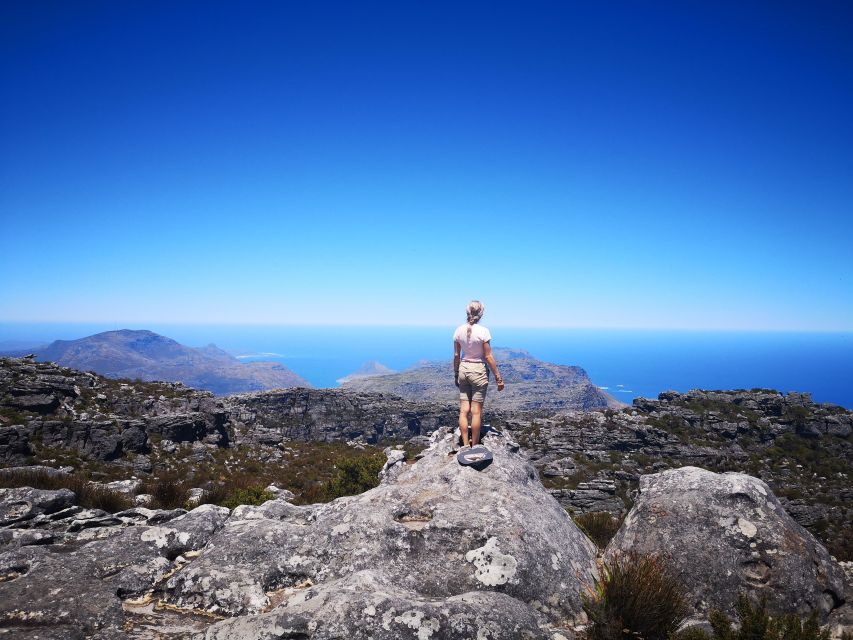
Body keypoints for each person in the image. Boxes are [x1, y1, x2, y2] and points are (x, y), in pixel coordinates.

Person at [453, 300, 504, 448]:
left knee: (464, 411)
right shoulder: (484, 331)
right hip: (479, 372)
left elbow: (456, 355)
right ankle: (474, 445)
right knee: (476, 412)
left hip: (463, 369)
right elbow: (488, 356)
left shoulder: (458, 330)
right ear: (481, 314)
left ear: (467, 313)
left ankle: (464, 443)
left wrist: (456, 374)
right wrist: (498, 378)